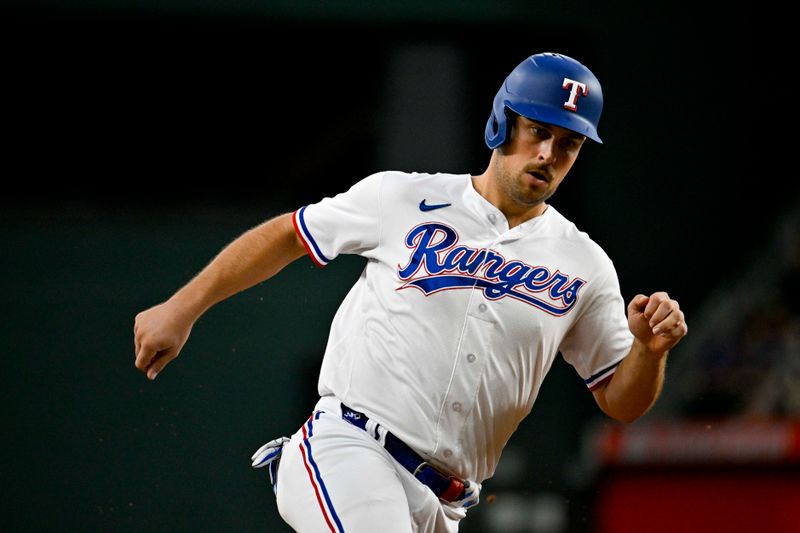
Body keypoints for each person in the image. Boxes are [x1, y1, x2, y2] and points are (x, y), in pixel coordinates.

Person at [133, 52, 688, 533]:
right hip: (352, 448)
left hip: (444, 502)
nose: (548, 153)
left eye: (567, 143)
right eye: (538, 130)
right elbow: (289, 235)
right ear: (502, 123)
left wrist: (650, 350)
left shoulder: (584, 263)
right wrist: (183, 306)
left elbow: (622, 400)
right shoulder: (401, 198)